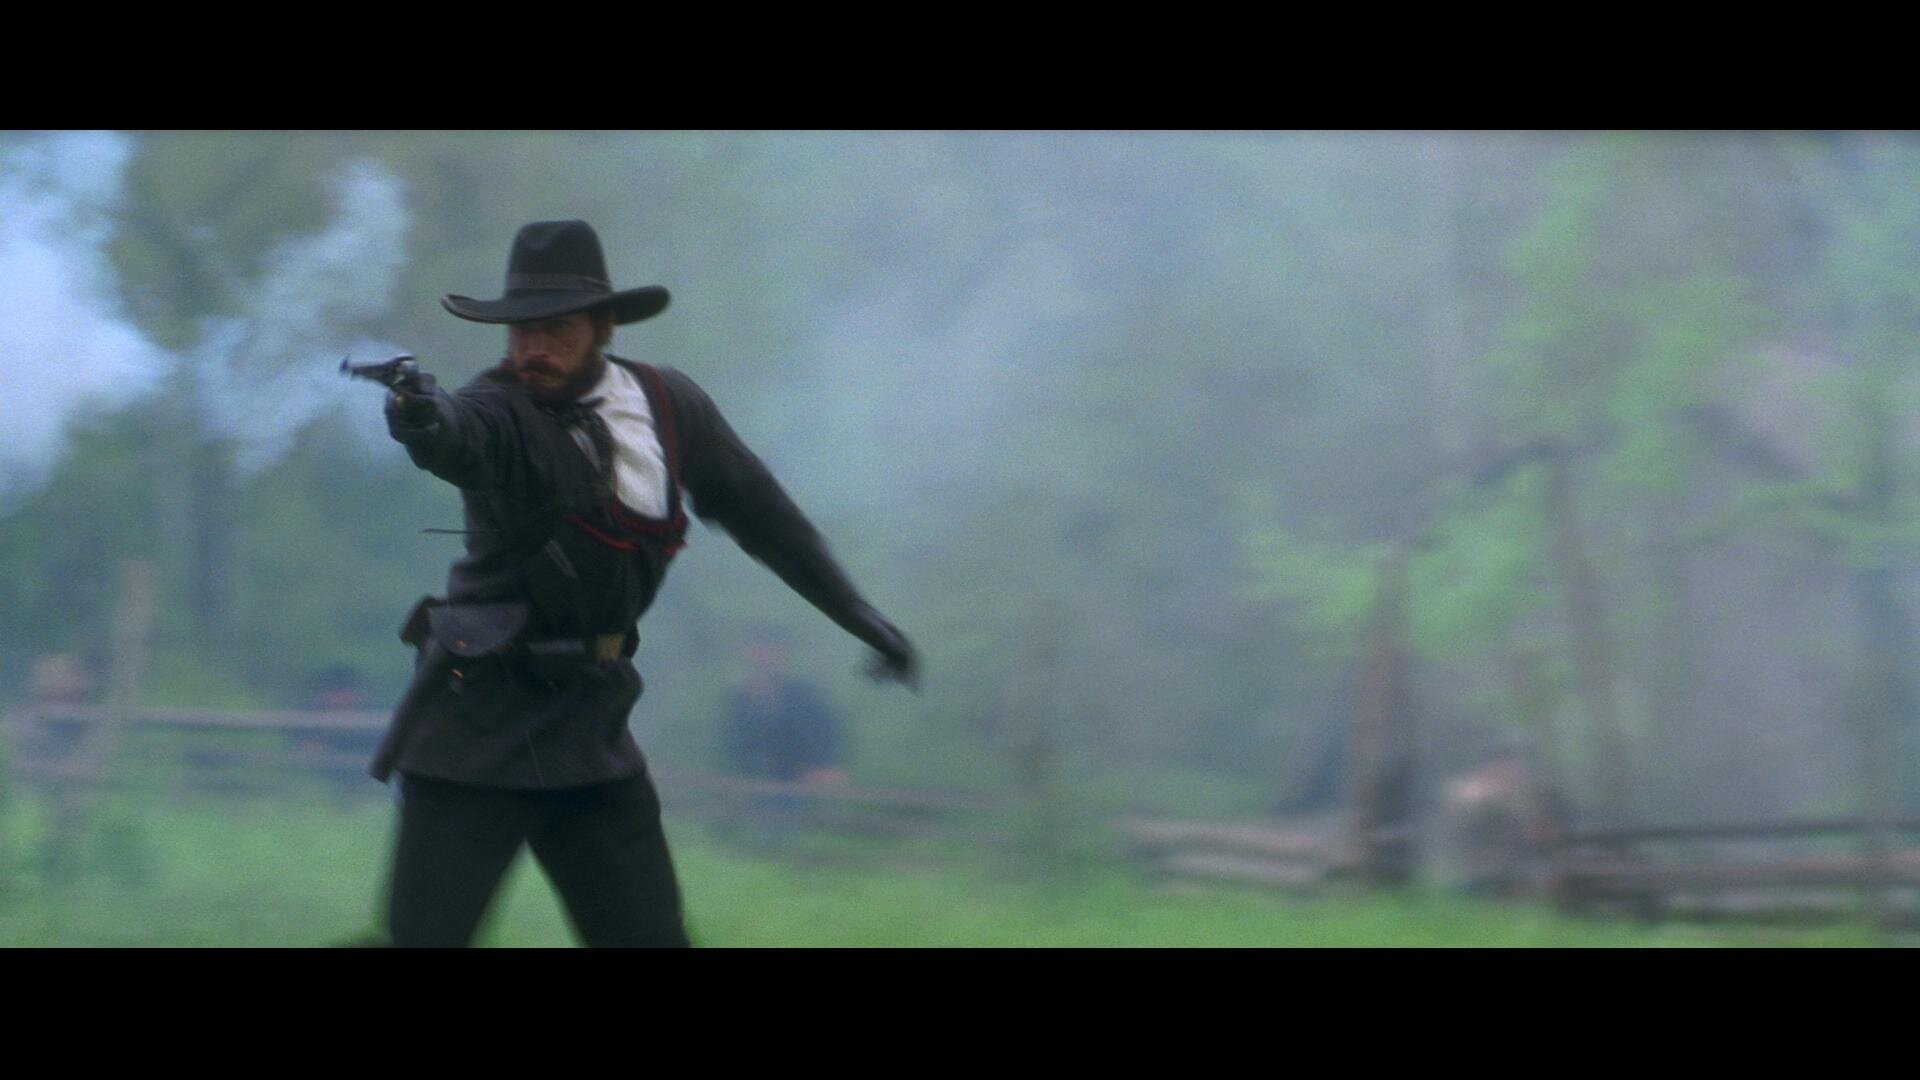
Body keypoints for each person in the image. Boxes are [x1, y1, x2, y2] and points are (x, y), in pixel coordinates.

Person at [368, 220, 917, 947]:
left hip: (591, 726)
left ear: (603, 327)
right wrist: (418, 415)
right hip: (478, 726)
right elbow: (455, 435)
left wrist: (858, 615)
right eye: (520, 330)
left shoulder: (668, 404)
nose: (532, 348)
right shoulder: (496, 407)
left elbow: (765, 518)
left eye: (555, 328)